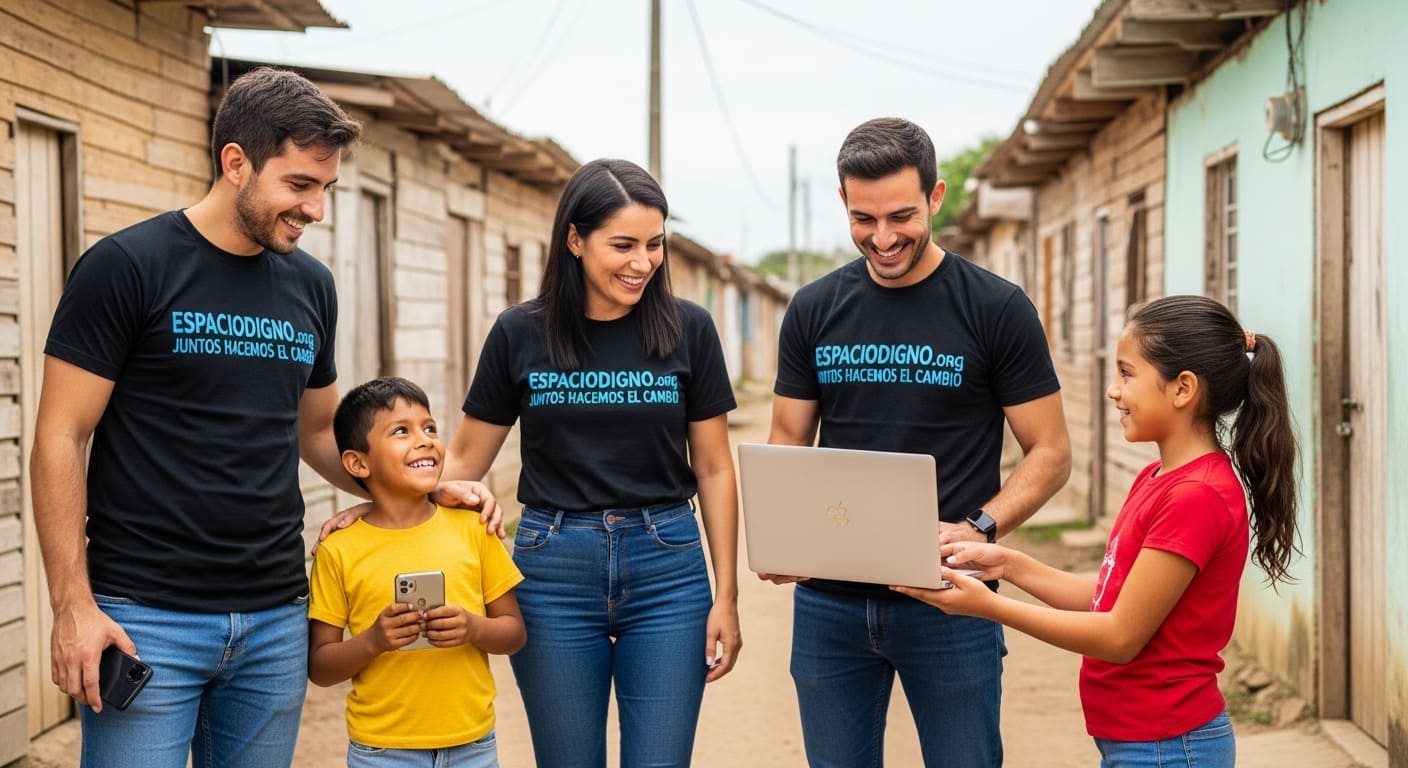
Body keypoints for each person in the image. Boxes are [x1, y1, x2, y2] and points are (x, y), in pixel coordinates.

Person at [28, 67, 366, 768]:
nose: (316, 209)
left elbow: (318, 435)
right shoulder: (127, 267)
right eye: (300, 185)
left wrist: (416, 492)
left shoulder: (312, 286)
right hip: (144, 619)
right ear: (235, 163)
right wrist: (72, 607)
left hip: (274, 618)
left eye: (326, 188)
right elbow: (61, 437)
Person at [761, 116, 1072, 767]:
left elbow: (1050, 452)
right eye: (863, 219)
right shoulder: (814, 309)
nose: (882, 237)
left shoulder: (996, 308)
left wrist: (980, 528)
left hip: (951, 599)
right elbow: (788, 437)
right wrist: (782, 535)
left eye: (901, 215)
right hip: (830, 605)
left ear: (936, 196)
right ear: (844, 202)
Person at [898, 294, 1301, 768]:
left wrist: (989, 607)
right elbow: (1112, 597)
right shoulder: (1156, 480)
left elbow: (1118, 635)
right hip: (1142, 743)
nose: (1113, 390)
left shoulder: (1197, 496)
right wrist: (1009, 563)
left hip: (1169, 748)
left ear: (1183, 388)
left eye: (1127, 374)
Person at [445, 158, 741, 767]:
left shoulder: (690, 329)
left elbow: (713, 468)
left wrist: (726, 596)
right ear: (575, 240)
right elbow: (461, 464)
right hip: (551, 572)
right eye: (624, 245)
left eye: (655, 245)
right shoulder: (519, 333)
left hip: (668, 571)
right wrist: (377, 508)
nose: (643, 262)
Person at [309, 376, 525, 767]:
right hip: (382, 752)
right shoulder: (338, 549)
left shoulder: (474, 530)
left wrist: (473, 628)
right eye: (401, 432)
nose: (425, 440)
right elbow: (321, 667)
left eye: (429, 428)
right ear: (358, 463)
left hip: (472, 746)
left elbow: (513, 633)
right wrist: (374, 640)